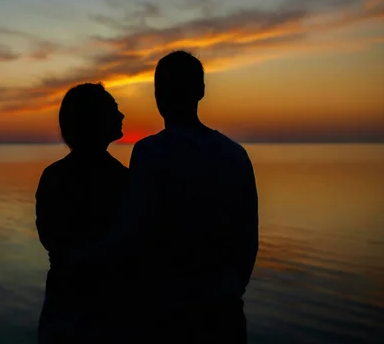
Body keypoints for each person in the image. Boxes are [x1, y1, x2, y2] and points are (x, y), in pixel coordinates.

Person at [69, 51, 258, 343]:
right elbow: (248, 240)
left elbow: (134, 230)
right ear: (202, 91)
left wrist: (82, 259)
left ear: (158, 95)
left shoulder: (149, 152)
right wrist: (230, 290)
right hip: (224, 310)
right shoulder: (236, 155)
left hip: (166, 312)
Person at [35, 83, 128, 344]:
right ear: (95, 119)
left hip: (63, 305)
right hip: (103, 309)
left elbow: (50, 239)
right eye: (114, 109)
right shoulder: (121, 179)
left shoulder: (53, 176)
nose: (121, 116)